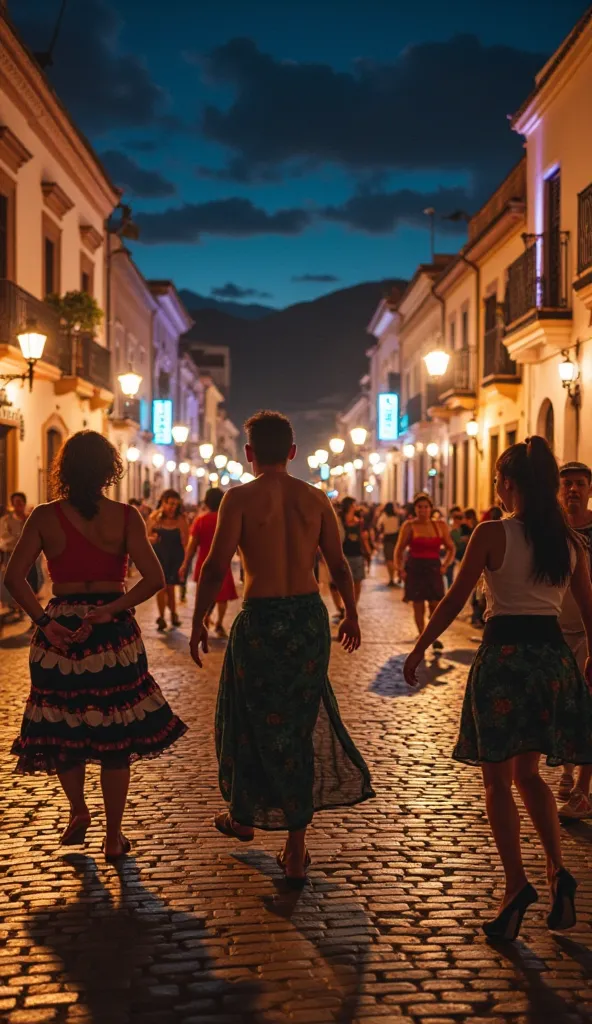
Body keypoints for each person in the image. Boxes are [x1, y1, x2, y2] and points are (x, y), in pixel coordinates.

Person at [404, 437, 592, 941]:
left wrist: (421, 646)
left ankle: (515, 886)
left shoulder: (492, 533)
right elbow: (591, 610)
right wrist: (589, 660)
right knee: (530, 775)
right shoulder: (568, 542)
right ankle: (557, 869)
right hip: (551, 660)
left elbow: (453, 599)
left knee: (497, 783)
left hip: (505, 660)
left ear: (509, 485)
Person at [189, 410, 374, 886]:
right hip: (308, 619)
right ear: (293, 452)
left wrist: (199, 620)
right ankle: (296, 848)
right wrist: (350, 614)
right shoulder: (315, 499)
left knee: (247, 716)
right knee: (299, 720)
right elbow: (338, 564)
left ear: (249, 453)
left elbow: (214, 567)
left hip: (262, 618)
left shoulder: (240, 498)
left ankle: (244, 816)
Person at [5, 431, 186, 861]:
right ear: (110, 471)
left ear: (62, 470)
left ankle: (77, 810)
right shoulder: (126, 517)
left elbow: (13, 579)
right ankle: (114, 836)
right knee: (115, 734)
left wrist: (46, 624)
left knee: (63, 726)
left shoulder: (44, 517)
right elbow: (155, 579)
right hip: (111, 631)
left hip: (60, 629)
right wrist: (110, 610)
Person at [555, 462, 592, 817]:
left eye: (580, 484)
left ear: (590, 489)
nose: (573, 490)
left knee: (589, 707)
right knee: (563, 704)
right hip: (555, 629)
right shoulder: (551, 530)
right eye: (567, 484)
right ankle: (566, 771)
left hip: (591, 630)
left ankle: (583, 789)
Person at [394, 492, 455, 648]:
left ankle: (432, 634)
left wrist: (445, 565)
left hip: (433, 568)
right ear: (415, 509)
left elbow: (451, 548)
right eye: (420, 507)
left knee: (435, 604)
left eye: (426, 507)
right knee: (418, 604)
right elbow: (399, 549)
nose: (423, 510)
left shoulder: (440, 525)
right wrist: (400, 569)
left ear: (431, 509)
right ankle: (422, 636)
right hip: (415, 568)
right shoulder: (409, 526)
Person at [180, 487, 238, 637]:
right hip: (223, 561)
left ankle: (205, 617)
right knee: (222, 596)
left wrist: (185, 564)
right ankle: (219, 623)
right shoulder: (226, 519)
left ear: (207, 502)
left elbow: (192, 546)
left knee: (206, 594)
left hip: (204, 561)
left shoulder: (201, 520)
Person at [147, 490, 189, 631]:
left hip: (174, 558)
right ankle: (161, 617)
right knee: (161, 588)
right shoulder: (154, 518)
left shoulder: (181, 519)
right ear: (163, 502)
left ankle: (173, 613)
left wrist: (185, 563)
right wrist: (152, 539)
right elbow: (145, 537)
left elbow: (187, 542)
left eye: (176, 504)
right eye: (170, 504)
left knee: (170, 588)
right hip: (159, 558)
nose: (173, 507)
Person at [1, 492, 43, 620]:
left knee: (32, 583)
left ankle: (32, 613)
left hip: (29, 557)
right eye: (15, 502)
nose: (18, 505)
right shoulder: (6, 521)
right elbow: (5, 538)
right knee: (14, 582)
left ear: (24, 503)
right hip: (11, 555)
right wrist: (21, 541)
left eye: (20, 502)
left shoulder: (29, 519)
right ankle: (17, 608)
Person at [376, 502, 400, 587]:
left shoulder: (383, 517)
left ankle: (391, 578)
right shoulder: (397, 517)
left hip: (388, 539)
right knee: (396, 557)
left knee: (389, 559)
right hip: (396, 538)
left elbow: (378, 526)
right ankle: (398, 574)